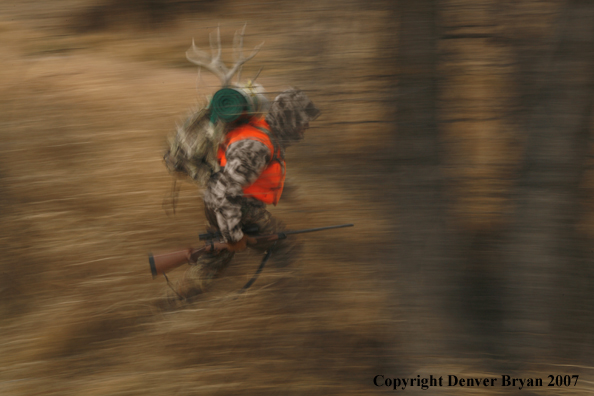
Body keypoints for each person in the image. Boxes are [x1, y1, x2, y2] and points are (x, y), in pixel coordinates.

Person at [172, 88, 320, 300]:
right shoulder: (257, 146)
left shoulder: (262, 132)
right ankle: (290, 303)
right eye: (302, 121)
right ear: (289, 119)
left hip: (223, 206)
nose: (306, 126)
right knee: (286, 248)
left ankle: (178, 299)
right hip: (239, 209)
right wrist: (233, 236)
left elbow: (249, 178)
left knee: (214, 259)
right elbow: (226, 192)